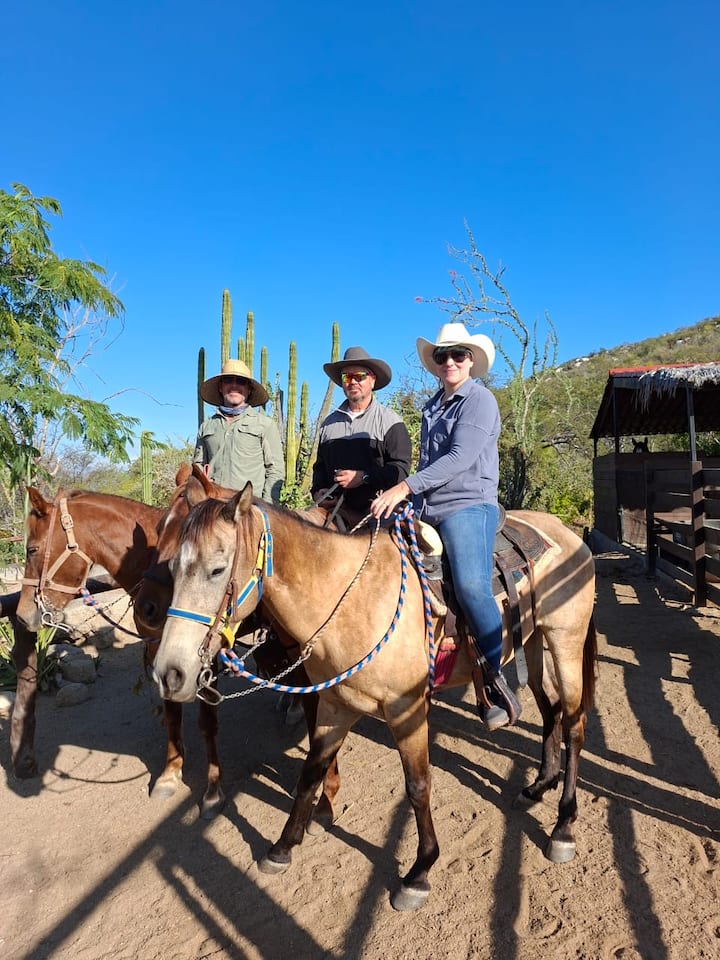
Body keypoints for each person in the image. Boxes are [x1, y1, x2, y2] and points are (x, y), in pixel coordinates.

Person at [370, 322, 522, 731]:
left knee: (472, 585)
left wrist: (403, 487)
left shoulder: (479, 400)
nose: (450, 361)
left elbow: (459, 458)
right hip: (430, 506)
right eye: (443, 355)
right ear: (435, 363)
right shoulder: (432, 405)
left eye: (458, 354)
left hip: (469, 505)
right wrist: (410, 502)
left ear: (471, 360)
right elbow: (427, 466)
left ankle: (494, 677)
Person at [311, 346, 412, 528]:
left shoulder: (391, 421)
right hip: (335, 513)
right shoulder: (328, 424)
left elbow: (401, 469)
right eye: (347, 377)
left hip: (378, 512)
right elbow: (319, 468)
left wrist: (363, 477)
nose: (353, 382)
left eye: (360, 376)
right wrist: (318, 492)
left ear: (372, 380)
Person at [195, 358, 284, 502]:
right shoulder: (207, 427)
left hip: (249, 509)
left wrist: (268, 508)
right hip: (213, 507)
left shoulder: (265, 425)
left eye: (241, 381)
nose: (234, 386)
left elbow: (275, 470)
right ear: (220, 386)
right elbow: (198, 467)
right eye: (228, 380)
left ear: (249, 389)